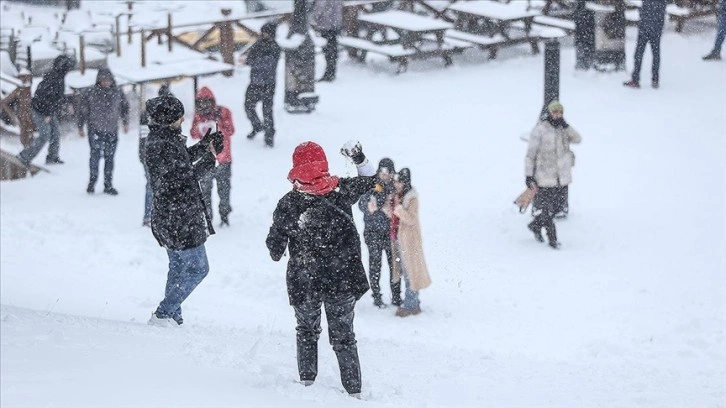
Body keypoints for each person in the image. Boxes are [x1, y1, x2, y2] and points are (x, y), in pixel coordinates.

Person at [266, 140, 376, 397]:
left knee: (306, 330)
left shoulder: (288, 203)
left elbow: (274, 250)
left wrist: (284, 237)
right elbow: (370, 179)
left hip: (305, 281)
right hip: (342, 279)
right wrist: (358, 157)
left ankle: (307, 385)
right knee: (345, 337)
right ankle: (354, 392)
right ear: (323, 164)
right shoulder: (339, 191)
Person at [143, 95, 224, 327]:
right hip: (179, 218)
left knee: (178, 267)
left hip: (168, 216)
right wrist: (209, 158)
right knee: (199, 268)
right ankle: (164, 313)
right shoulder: (163, 143)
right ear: (170, 119)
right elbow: (183, 178)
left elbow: (181, 163)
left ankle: (173, 318)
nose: (182, 119)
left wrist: (202, 147)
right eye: (179, 116)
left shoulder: (161, 139)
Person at [525, 101, 582, 249]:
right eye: (555, 112)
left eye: (560, 112)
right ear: (549, 112)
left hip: (561, 178)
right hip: (544, 177)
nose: (558, 115)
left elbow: (578, 139)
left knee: (557, 208)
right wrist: (529, 176)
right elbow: (530, 155)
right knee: (547, 211)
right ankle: (553, 239)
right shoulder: (540, 130)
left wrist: (566, 126)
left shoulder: (563, 129)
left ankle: (535, 225)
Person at [357, 158, 402, 308]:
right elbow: (362, 202)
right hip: (373, 233)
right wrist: (371, 206)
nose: (384, 175)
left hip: (391, 234)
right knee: (375, 265)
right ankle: (377, 296)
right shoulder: (372, 184)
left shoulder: (395, 186)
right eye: (382, 171)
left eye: (387, 172)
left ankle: (396, 296)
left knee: (395, 266)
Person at [77, 68, 129, 195]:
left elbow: (124, 107)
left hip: (112, 130)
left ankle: (108, 184)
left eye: (108, 80)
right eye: (103, 80)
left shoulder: (117, 92)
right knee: (95, 157)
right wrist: (80, 126)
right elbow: (82, 110)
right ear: (98, 81)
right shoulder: (90, 92)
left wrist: (125, 122)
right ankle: (92, 182)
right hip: (95, 130)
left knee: (109, 158)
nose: (106, 82)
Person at [17, 54, 75, 166]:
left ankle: (52, 157)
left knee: (56, 133)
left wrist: (67, 104)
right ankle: (24, 156)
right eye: (67, 67)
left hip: (48, 111)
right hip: (39, 110)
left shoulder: (59, 78)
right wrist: (46, 114)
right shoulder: (52, 78)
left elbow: (58, 96)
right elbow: (43, 96)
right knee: (45, 134)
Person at [190, 86, 235, 226]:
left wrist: (218, 125)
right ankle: (207, 216)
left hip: (223, 159)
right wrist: (200, 129)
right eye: (201, 102)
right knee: (205, 192)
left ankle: (224, 215)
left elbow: (230, 130)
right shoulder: (198, 117)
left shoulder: (223, 112)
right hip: (205, 161)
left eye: (206, 102)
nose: (204, 105)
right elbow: (193, 134)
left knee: (224, 190)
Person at [391, 168, 431, 317]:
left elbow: (411, 218)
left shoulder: (411, 198)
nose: (397, 184)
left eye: (399, 182)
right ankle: (412, 302)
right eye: (396, 181)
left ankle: (411, 304)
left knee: (410, 272)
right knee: (404, 271)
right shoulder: (398, 195)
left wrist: (399, 209)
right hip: (399, 238)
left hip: (409, 241)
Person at [139, 84, 173, 227]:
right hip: (152, 156)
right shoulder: (150, 116)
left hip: (158, 155)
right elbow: (144, 139)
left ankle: (156, 215)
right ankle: (149, 216)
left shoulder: (163, 115)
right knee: (153, 186)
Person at [244, 22, 281, 148]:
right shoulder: (258, 44)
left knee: (267, 112)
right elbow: (249, 60)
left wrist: (256, 62)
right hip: (255, 83)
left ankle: (269, 136)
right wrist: (255, 61)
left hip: (268, 85)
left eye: (265, 32)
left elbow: (268, 65)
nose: (263, 34)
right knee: (248, 107)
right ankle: (257, 126)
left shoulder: (275, 47)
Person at [624, 0, 667, 89]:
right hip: (655, 28)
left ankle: (636, 79)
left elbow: (644, 8)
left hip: (645, 27)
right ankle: (655, 79)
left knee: (639, 53)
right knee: (655, 54)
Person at [310, 0, 343, 82]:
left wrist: (314, 18)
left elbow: (320, 8)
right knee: (332, 49)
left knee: (328, 50)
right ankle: (331, 72)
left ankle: (329, 73)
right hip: (334, 24)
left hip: (327, 24)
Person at [0, 69, 34, 147]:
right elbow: (5, 102)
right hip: (24, 115)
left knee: (30, 132)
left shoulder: (30, 88)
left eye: (27, 77)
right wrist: (12, 115)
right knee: (25, 132)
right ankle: (26, 151)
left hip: (33, 114)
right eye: (23, 78)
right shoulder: (19, 90)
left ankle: (28, 150)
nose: (25, 80)